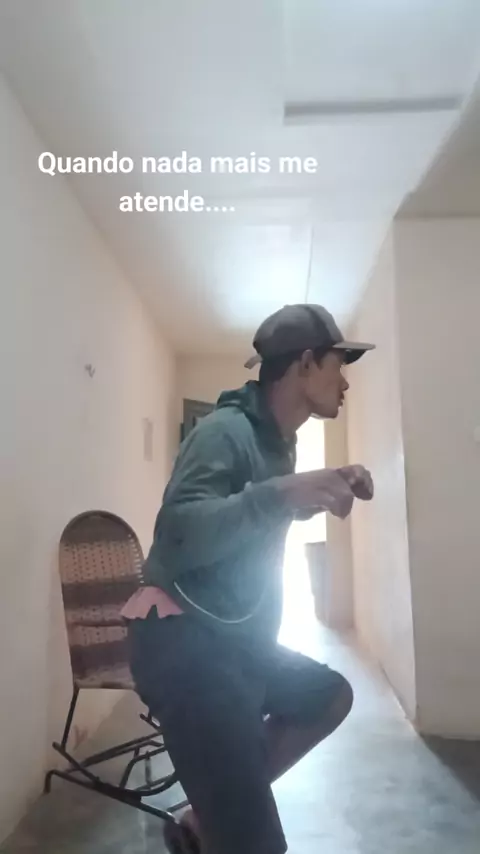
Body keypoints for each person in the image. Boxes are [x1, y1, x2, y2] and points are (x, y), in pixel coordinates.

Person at [123, 304, 375, 854]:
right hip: (184, 647)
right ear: (305, 364)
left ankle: (208, 814)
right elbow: (180, 531)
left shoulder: (277, 440)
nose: (345, 381)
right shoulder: (224, 431)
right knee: (257, 844)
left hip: (234, 644)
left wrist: (314, 491)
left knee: (327, 696)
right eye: (338, 365)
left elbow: (247, 515)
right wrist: (282, 493)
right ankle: (230, 812)